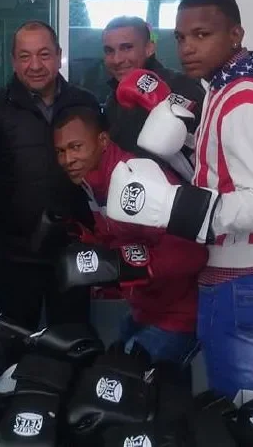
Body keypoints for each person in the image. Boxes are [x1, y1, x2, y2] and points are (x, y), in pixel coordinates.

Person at [104, 0, 253, 399]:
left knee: (238, 402)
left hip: (245, 275)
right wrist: (185, 147)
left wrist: (173, 205)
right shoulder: (226, 87)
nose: (188, 48)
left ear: (235, 34)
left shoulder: (245, 102)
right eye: (181, 37)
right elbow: (226, 170)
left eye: (201, 35)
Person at [52, 105, 207, 383]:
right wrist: (85, 240)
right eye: (61, 151)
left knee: (123, 388)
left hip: (179, 314)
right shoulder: (94, 182)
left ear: (102, 141)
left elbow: (192, 252)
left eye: (76, 147)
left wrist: (124, 265)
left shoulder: (138, 181)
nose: (68, 159)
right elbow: (124, 237)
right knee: (139, 389)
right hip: (145, 309)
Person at [0, 20, 100, 331]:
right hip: (15, 257)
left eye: (44, 54)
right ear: (13, 60)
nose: (34, 65)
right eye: (24, 56)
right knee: (14, 344)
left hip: (74, 251)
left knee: (73, 344)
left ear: (59, 55)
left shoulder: (85, 103)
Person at [102, 16, 206, 182]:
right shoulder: (112, 100)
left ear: (149, 48)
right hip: (132, 198)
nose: (117, 59)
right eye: (109, 51)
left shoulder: (182, 87)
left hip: (180, 198)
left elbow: (207, 149)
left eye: (127, 48)